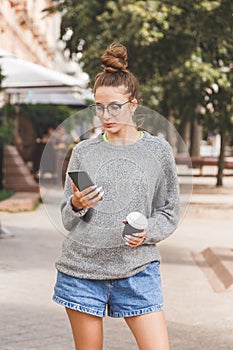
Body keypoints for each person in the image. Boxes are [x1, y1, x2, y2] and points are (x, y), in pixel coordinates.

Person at [53, 42, 179, 350]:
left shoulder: (158, 151)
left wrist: (148, 230)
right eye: (99, 106)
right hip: (82, 269)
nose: (105, 115)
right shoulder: (84, 152)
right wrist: (77, 204)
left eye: (115, 106)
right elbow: (68, 218)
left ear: (133, 104)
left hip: (137, 269)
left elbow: (169, 211)